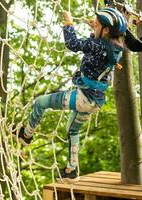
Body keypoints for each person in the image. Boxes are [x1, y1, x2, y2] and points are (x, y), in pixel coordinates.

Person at [12, 8, 127, 183]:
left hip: (83, 98)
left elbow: (73, 44)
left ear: (106, 30)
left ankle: (26, 135)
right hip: (94, 100)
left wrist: (69, 23)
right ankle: (71, 170)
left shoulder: (98, 44)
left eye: (98, 23)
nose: (93, 23)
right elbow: (96, 48)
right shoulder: (114, 47)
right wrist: (94, 29)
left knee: (40, 103)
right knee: (72, 129)